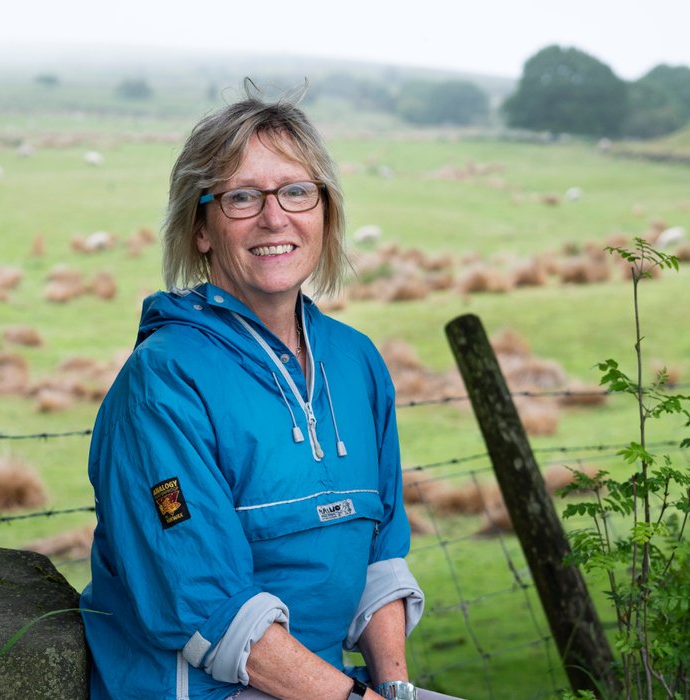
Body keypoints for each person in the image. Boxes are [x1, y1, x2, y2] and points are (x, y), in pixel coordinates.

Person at [80, 86, 458, 700]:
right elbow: (201, 599)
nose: (274, 216)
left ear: (324, 212)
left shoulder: (356, 359)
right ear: (200, 227)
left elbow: (380, 551)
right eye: (241, 197)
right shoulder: (163, 380)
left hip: (326, 689)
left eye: (296, 191)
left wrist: (394, 689)